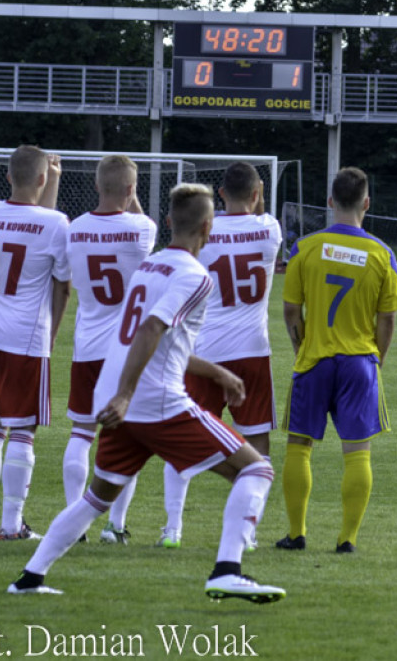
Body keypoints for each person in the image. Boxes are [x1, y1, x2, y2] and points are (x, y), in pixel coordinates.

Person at [8, 183, 284, 602]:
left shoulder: (150, 266)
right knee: (256, 470)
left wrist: (217, 374)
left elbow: (155, 339)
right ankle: (228, 569)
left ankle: (28, 578)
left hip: (120, 398)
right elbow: (151, 330)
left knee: (96, 498)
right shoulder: (195, 275)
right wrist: (126, 394)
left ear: (170, 221)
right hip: (153, 402)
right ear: (208, 226)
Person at [278, 167, 397, 553]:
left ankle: (297, 533)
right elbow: (388, 320)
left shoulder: (305, 248)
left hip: (314, 358)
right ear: (367, 203)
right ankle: (347, 539)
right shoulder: (382, 254)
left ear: (330, 201)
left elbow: (289, 310)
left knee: (299, 445)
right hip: (358, 363)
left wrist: (302, 346)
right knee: (357, 450)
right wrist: (376, 360)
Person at [159, 163, 282, 549]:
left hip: (204, 351)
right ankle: (248, 533)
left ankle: (173, 528)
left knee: (180, 437)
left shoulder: (206, 232)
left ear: (221, 193)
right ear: (258, 192)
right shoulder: (270, 230)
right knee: (257, 443)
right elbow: (256, 217)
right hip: (251, 350)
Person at [0, 145, 70, 540]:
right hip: (26, 339)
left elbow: (33, 219)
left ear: (8, 176)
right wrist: (54, 333)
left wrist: (50, 179)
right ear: (43, 179)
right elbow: (62, 286)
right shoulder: (58, 223)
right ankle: (12, 525)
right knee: (23, 432)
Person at [63, 155, 156, 545]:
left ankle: (74, 522)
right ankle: (114, 526)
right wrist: (131, 199)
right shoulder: (142, 228)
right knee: (127, 440)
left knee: (81, 432)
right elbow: (141, 225)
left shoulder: (73, 229)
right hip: (126, 349)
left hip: (87, 345)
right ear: (132, 189)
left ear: (97, 186)